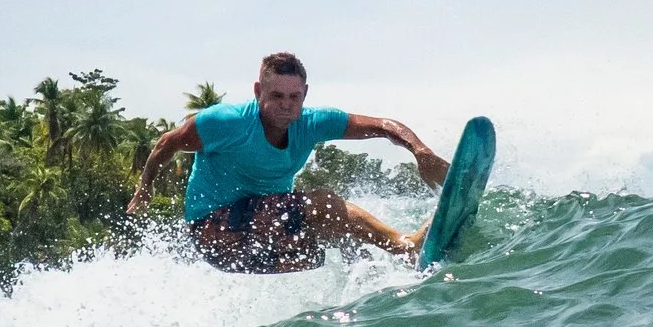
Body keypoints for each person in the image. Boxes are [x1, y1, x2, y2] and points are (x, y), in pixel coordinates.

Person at [127, 51, 451, 272]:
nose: (286, 106)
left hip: (262, 242)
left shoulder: (312, 122)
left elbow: (382, 126)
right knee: (323, 204)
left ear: (305, 94)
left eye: (294, 97)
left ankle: (385, 283)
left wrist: (419, 151)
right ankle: (405, 246)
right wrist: (145, 188)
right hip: (213, 231)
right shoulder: (225, 122)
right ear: (258, 91)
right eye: (276, 96)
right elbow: (165, 144)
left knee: (343, 241)